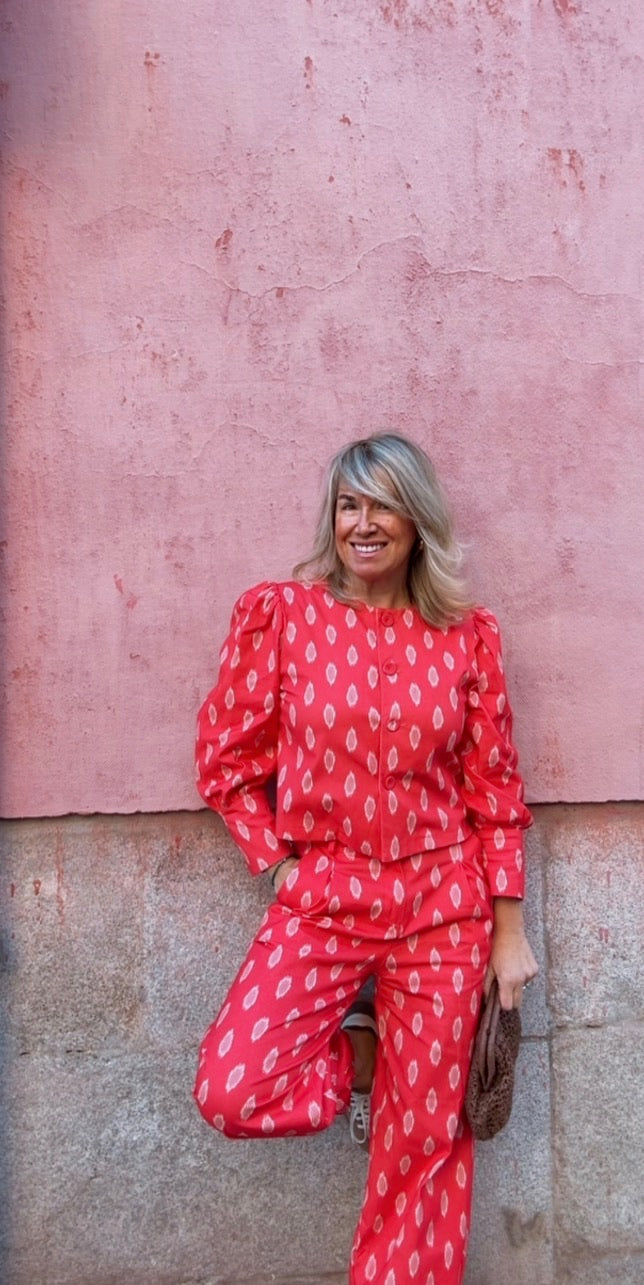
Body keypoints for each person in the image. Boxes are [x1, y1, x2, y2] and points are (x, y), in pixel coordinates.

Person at [193, 431, 538, 1284]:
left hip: (443, 910)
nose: (363, 523)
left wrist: (508, 933)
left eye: (383, 504)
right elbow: (226, 763)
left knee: (423, 1155)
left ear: (417, 521)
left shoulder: (465, 637)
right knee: (232, 1085)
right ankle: (368, 1057)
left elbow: (494, 790)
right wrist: (280, 864)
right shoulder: (285, 616)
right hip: (325, 896)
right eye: (349, 505)